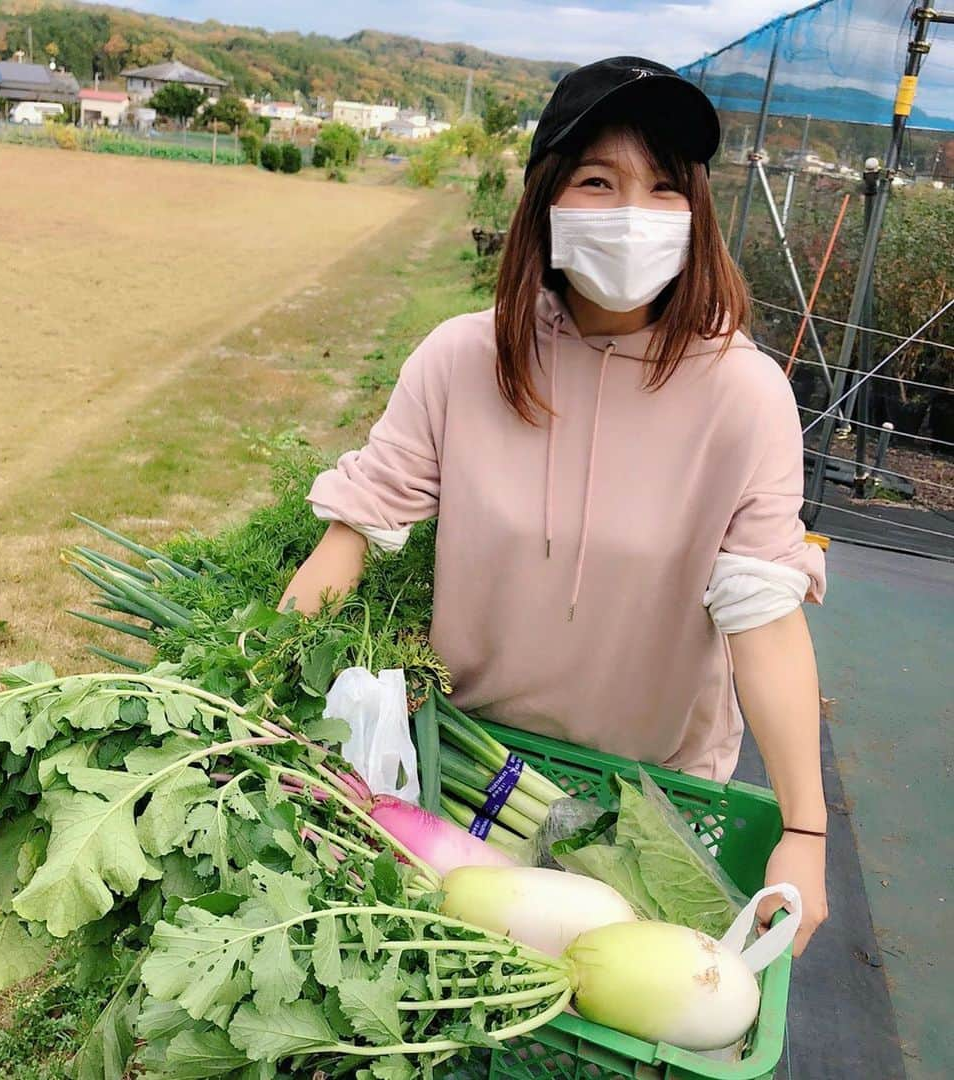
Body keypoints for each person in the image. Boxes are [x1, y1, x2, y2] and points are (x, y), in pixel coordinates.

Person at [281, 57, 828, 955]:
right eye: (598, 181)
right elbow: (355, 531)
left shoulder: (746, 395)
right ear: (547, 202)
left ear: (695, 212)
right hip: (464, 771)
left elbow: (765, 620)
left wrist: (804, 835)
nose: (632, 213)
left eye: (662, 187)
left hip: (656, 801)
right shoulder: (464, 361)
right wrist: (251, 683)